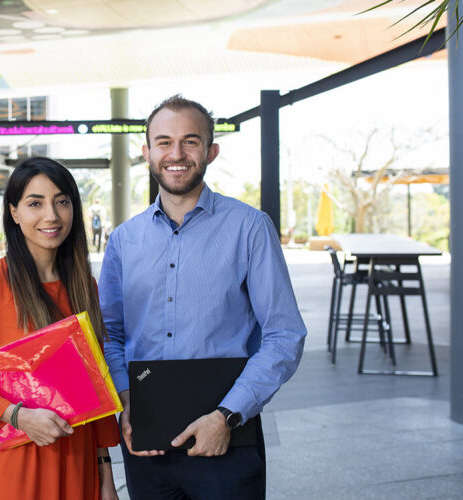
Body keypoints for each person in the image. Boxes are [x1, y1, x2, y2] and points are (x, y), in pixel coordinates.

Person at [99, 95, 306, 499]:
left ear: (211, 151)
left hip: (228, 440)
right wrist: (128, 401)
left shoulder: (250, 228)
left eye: (190, 141)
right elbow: (111, 334)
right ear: (147, 153)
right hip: (146, 443)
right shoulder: (124, 240)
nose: (176, 154)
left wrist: (226, 417)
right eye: (164, 142)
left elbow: (285, 334)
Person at [0, 157, 120, 500]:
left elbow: (95, 387)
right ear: (14, 213)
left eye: (62, 201)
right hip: (18, 461)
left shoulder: (84, 286)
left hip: (78, 460)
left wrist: (105, 475)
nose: (51, 215)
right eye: (35, 203)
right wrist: (16, 415)